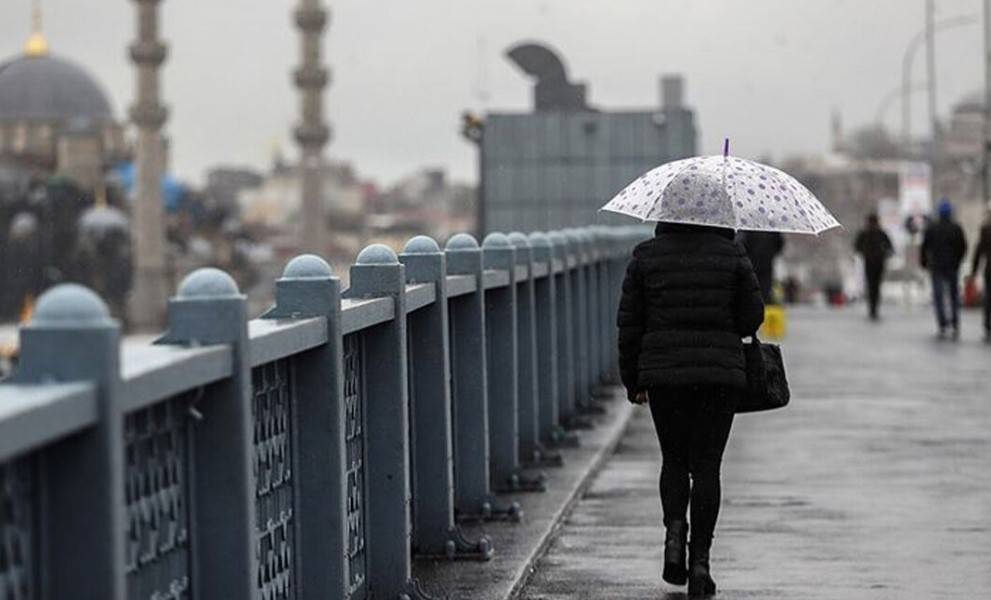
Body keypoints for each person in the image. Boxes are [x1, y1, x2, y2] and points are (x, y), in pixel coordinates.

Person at [617, 222, 764, 597]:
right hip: (719, 375)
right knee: (707, 466)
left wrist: (633, 381)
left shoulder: (645, 257)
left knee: (674, 460)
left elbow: (630, 324)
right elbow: (752, 317)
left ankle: (673, 536)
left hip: (665, 375)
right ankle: (700, 564)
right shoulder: (732, 254)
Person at [920, 199, 967, 339]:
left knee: (939, 296)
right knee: (953, 296)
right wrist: (958, 261)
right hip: (952, 266)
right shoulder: (956, 228)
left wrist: (925, 262)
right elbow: (963, 247)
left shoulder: (932, 228)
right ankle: (955, 322)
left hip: (937, 267)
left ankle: (942, 323)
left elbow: (924, 247)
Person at [853, 213, 894, 320]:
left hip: (870, 262)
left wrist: (865, 252)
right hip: (878, 262)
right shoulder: (880, 233)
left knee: (872, 286)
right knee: (875, 286)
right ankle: (874, 308)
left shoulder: (865, 233)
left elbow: (857, 247)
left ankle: (873, 308)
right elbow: (890, 247)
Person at [737, 231, 784, 303]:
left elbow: (742, 244)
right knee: (764, 292)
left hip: (751, 265)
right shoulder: (773, 229)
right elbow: (779, 245)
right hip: (766, 265)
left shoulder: (749, 228)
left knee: (750, 292)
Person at [969, 208, 991, 342]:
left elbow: (979, 251)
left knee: (988, 298)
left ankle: (988, 325)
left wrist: (974, 270)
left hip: (990, 269)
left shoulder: (986, 229)